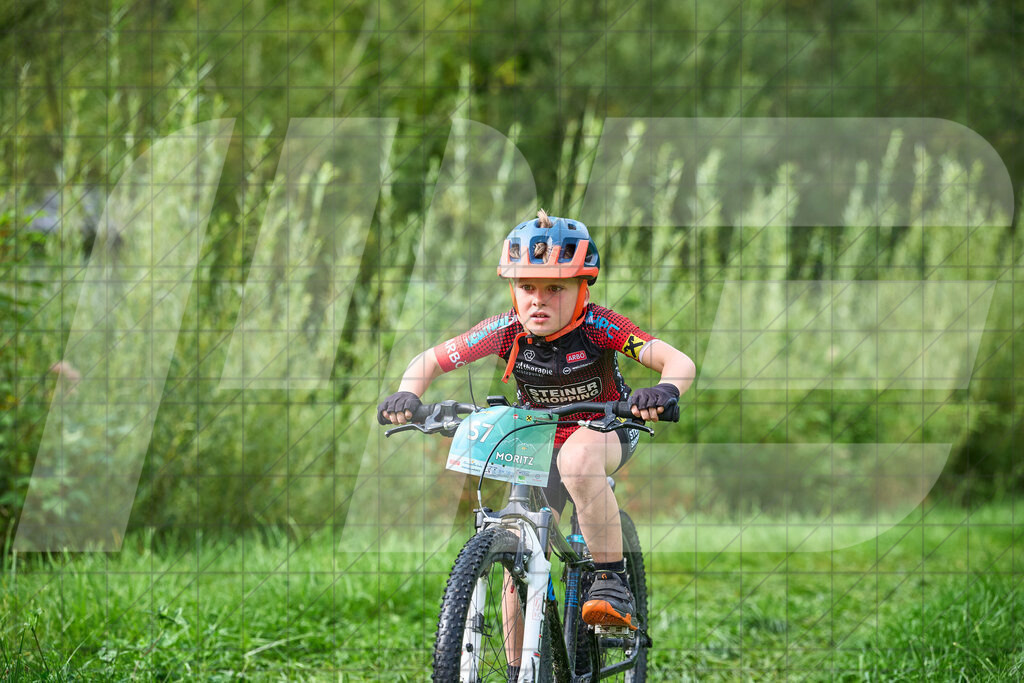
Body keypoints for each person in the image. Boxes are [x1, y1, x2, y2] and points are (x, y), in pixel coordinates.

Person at [377, 211, 695, 671]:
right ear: (514, 289)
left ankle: (611, 579)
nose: (538, 300)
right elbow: (429, 360)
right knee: (519, 546)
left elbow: (677, 361)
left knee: (578, 459)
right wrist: (409, 393)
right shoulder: (507, 329)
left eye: (555, 288)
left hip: (606, 427)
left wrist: (664, 390)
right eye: (527, 286)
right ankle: (519, 671)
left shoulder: (600, 326)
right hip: (540, 438)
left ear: (582, 289)